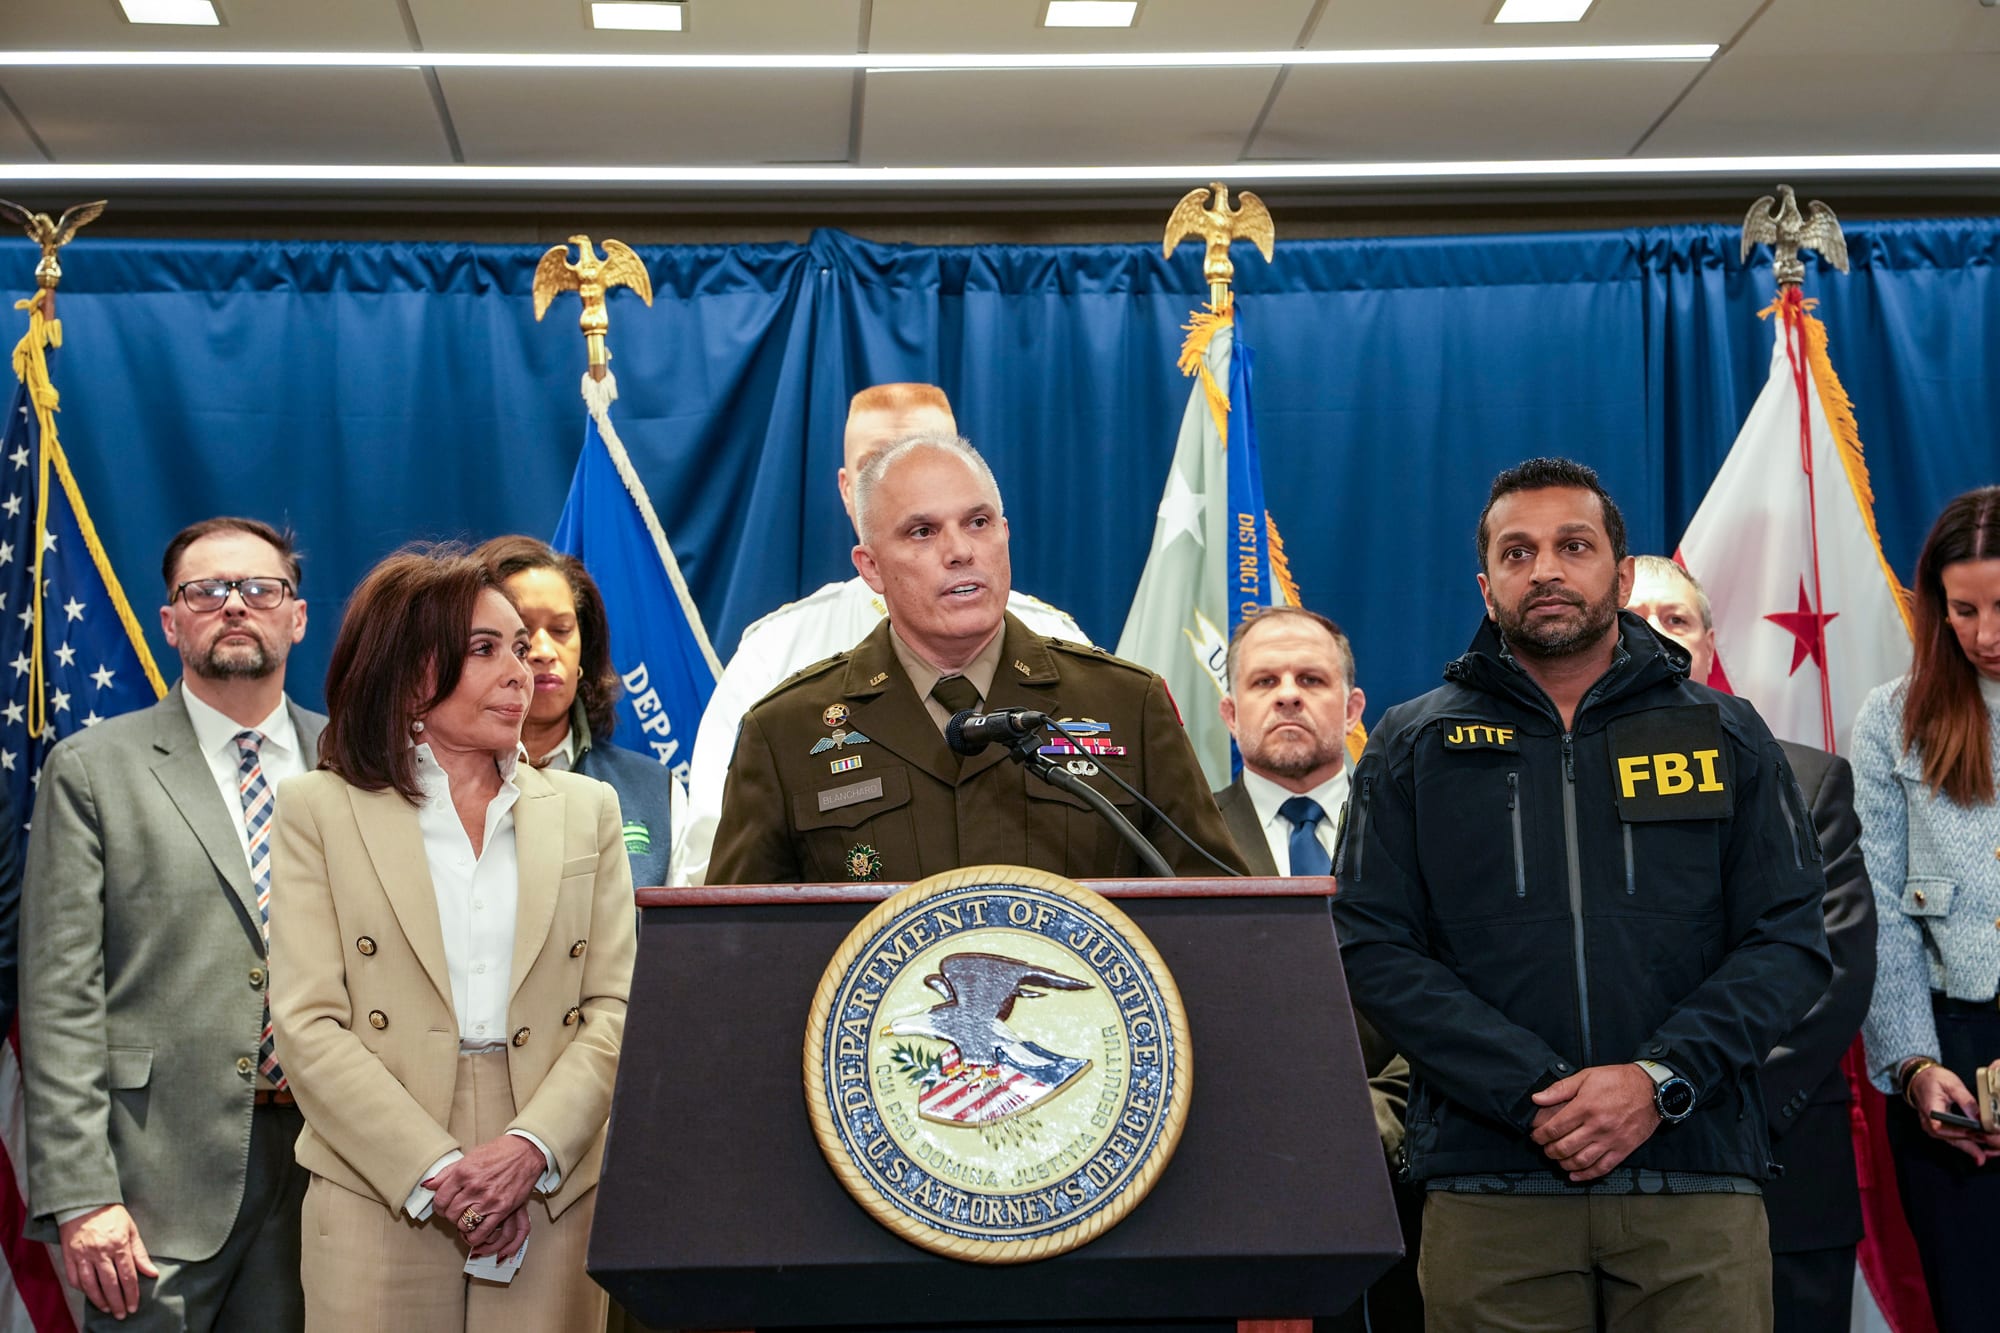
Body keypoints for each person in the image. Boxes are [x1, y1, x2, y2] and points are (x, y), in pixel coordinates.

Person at [1330, 457, 1831, 1332]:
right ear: (1488, 588)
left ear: (1622, 574)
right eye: (1518, 554)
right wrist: (1533, 1092)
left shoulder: (1724, 732)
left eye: (1574, 545)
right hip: (1491, 1186)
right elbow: (1371, 946)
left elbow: (1789, 940)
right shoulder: (1413, 744)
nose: (1547, 570)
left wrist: (1657, 1078)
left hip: (1695, 1174)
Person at [268, 547, 637, 1328]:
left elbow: (616, 1007)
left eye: (521, 645)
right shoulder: (317, 810)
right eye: (485, 648)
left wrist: (530, 1147)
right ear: (406, 673)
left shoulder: (588, 809)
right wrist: (438, 1171)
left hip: (549, 1163)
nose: (524, 665)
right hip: (379, 1166)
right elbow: (308, 1023)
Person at [708, 431, 1247, 885]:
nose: (960, 550)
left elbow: (1215, 913)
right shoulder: (785, 732)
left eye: (978, 523)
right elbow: (737, 949)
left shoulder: (1128, 703)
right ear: (869, 567)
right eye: (923, 532)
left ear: (1005, 535)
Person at [21, 517, 320, 1329]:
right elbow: (59, 1000)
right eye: (205, 590)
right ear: (171, 620)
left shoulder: (355, 764)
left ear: (296, 615)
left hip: (331, 1177)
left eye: (260, 588)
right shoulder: (93, 770)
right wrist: (82, 1193)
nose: (233, 605)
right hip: (155, 1191)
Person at [679, 383, 1088, 884]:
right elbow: (710, 872)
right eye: (881, 463)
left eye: (927, 455)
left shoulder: (1057, 641)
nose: (912, 478)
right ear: (848, 488)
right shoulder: (773, 655)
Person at [1628, 554, 1876, 1333]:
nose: (1659, 636)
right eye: (1636, 621)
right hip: (1610, 1174)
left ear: (1709, 642)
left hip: (1782, 1156)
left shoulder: (1808, 780)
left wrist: (1690, 1100)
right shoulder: (1551, 790)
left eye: (1677, 619)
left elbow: (1831, 966)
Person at [1212, 607, 1420, 1333]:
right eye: (1265, 680)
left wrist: (1381, 1119)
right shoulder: (1180, 846)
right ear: (1230, 711)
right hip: (1239, 1197)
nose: (1290, 694)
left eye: (1312, 678)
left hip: (1412, 1194)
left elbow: (1460, 990)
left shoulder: (1420, 833)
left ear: (1353, 706)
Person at [1854, 486, 2000, 1333]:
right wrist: (1913, 1065)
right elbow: (1879, 910)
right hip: (1952, 1049)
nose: (1984, 634)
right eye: (1964, 609)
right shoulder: (1892, 718)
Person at [475, 534, 677, 886]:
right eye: (519, 634)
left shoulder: (655, 789)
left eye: (561, 629)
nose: (542, 651)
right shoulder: (434, 782)